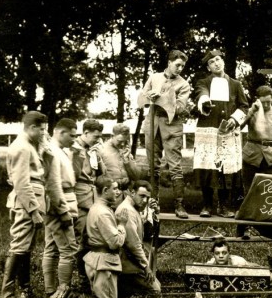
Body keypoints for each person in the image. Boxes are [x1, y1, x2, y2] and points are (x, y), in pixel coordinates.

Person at [0, 111, 48, 298]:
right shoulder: (22, 148)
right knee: (19, 246)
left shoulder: (29, 145)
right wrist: (34, 210)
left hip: (32, 199)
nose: (44, 133)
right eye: (42, 130)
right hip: (27, 202)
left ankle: (25, 290)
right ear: (32, 128)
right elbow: (21, 182)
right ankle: (7, 296)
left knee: (26, 247)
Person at [194, 49, 249, 218]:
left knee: (227, 169)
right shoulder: (203, 82)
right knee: (208, 167)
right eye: (211, 62)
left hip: (228, 132)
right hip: (209, 131)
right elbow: (200, 95)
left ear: (223, 62)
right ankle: (207, 205)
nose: (216, 63)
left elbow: (244, 106)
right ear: (208, 67)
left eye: (218, 60)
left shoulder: (235, 84)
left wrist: (235, 119)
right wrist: (205, 101)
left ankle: (224, 206)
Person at [137, 50, 191, 219]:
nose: (180, 68)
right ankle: (153, 203)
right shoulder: (154, 78)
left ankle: (179, 205)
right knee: (152, 164)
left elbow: (181, 108)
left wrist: (163, 97)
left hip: (171, 125)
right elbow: (141, 99)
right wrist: (149, 97)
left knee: (174, 165)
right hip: (152, 123)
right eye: (177, 65)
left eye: (182, 66)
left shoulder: (184, 84)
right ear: (169, 62)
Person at [42, 118, 80, 298]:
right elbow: (53, 185)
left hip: (62, 199)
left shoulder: (59, 151)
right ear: (60, 132)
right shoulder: (52, 152)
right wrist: (63, 210)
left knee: (51, 247)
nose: (74, 139)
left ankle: (51, 290)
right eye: (72, 135)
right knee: (69, 250)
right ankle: (62, 293)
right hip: (59, 202)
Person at [70, 119, 105, 292]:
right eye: (95, 136)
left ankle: (87, 278)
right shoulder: (74, 148)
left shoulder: (93, 150)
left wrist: (98, 156)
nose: (98, 140)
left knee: (89, 240)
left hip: (92, 199)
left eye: (100, 137)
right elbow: (72, 177)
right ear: (85, 133)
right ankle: (77, 281)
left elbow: (100, 175)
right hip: (79, 199)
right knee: (79, 241)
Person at [82, 176, 126, 298]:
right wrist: (122, 225)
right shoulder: (103, 213)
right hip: (104, 264)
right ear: (106, 190)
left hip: (97, 260)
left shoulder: (97, 207)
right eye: (115, 189)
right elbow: (115, 243)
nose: (118, 192)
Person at [115, 180, 161, 297]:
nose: (145, 200)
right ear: (132, 192)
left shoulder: (134, 209)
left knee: (157, 285)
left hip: (133, 262)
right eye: (142, 196)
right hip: (126, 263)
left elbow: (147, 235)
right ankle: (119, 287)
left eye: (147, 197)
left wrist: (153, 214)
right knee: (155, 291)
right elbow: (133, 244)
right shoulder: (127, 211)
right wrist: (146, 267)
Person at [241, 85, 272, 192]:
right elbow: (238, 126)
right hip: (251, 156)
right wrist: (251, 112)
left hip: (270, 158)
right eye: (263, 102)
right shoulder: (251, 111)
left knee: (270, 190)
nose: (266, 104)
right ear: (257, 100)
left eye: (269, 101)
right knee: (249, 190)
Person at [98, 123, 143, 205]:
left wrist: (127, 161)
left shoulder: (126, 151)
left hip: (127, 196)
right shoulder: (101, 150)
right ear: (112, 136)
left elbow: (136, 176)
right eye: (120, 141)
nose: (122, 144)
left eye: (125, 141)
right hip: (110, 197)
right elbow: (97, 177)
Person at [206, 238, 272, 283]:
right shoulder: (209, 266)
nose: (221, 256)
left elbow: (255, 269)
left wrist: (271, 274)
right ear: (213, 255)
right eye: (217, 253)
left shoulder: (237, 262)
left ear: (229, 254)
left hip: (247, 267)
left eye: (224, 253)